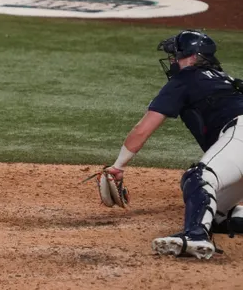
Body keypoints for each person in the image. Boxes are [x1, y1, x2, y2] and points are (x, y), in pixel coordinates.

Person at [103, 29, 243, 259]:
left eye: (176, 55)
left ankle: (195, 236)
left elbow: (144, 128)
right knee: (217, 215)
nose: (173, 60)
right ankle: (208, 225)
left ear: (192, 56)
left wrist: (118, 166)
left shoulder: (186, 79)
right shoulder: (223, 79)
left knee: (199, 177)